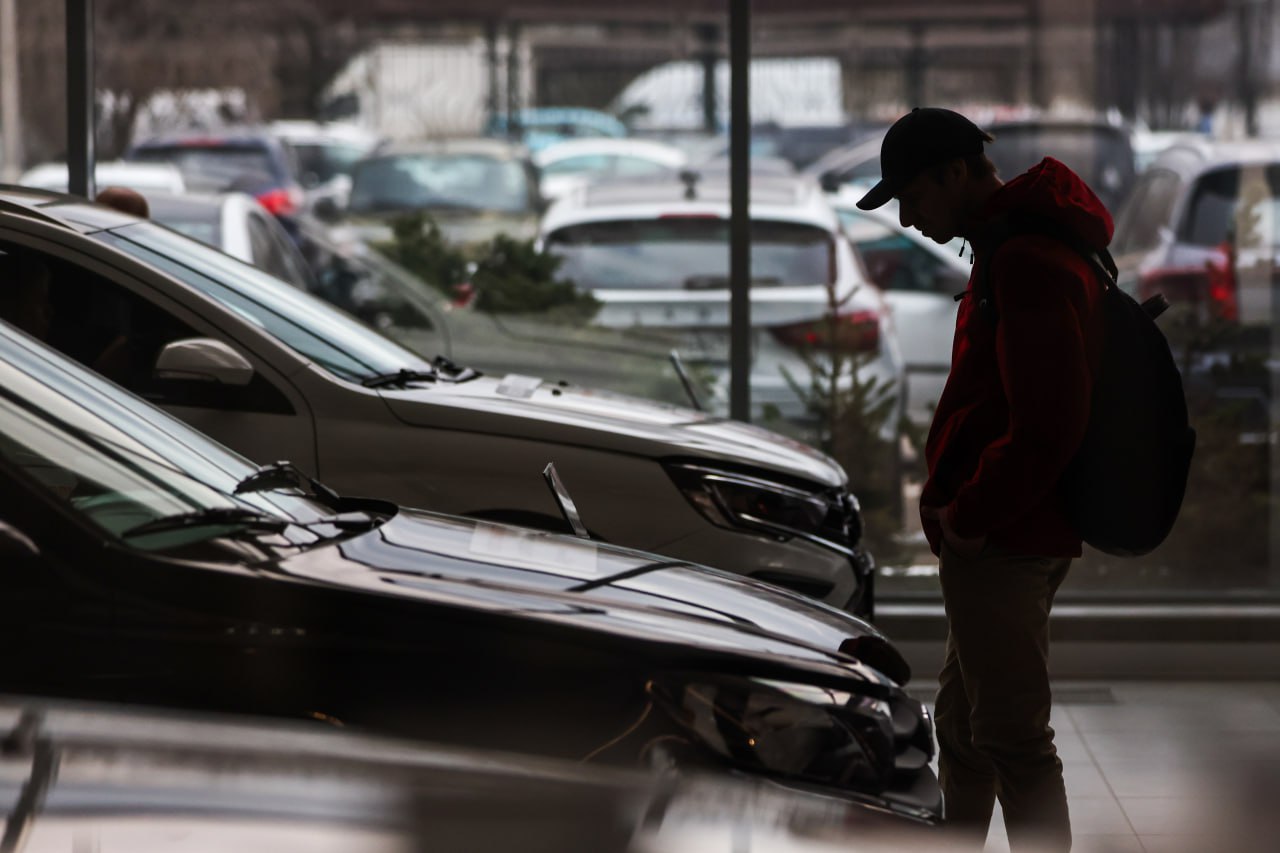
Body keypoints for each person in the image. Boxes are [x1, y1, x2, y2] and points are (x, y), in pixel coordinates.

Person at [857, 108, 1111, 852]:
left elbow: (1048, 421)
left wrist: (970, 514)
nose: (909, 216)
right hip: (1005, 531)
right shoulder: (1017, 246)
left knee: (1012, 738)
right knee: (965, 728)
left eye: (914, 195)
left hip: (1004, 536)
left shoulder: (1026, 260)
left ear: (955, 173)